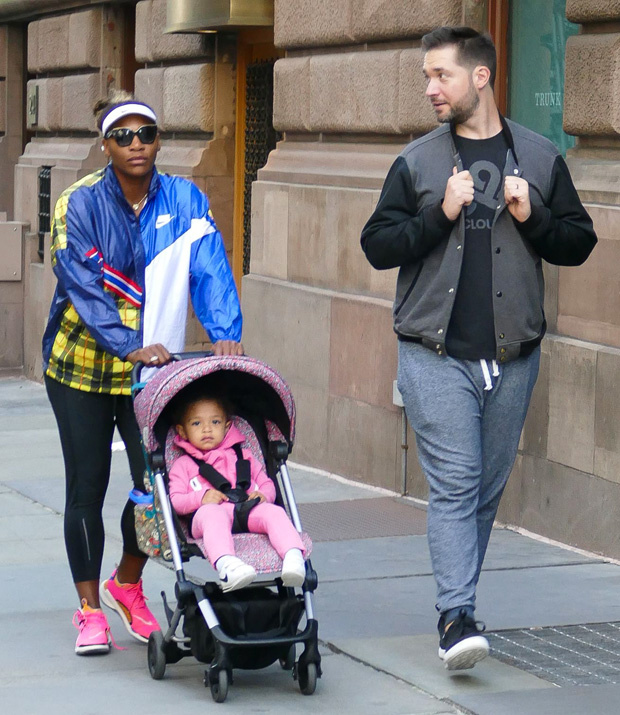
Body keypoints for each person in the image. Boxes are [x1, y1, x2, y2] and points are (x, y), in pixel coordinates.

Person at [361, 26, 597, 671]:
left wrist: (535, 218)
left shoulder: (543, 157)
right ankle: (456, 615)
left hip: (514, 356)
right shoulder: (417, 161)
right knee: (457, 484)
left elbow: (578, 243)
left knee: (484, 492)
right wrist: (439, 213)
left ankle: (458, 603)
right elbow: (377, 246)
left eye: (442, 75)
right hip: (434, 352)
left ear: (482, 77)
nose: (431, 89)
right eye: (428, 77)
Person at [42, 91, 244, 656]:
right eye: (123, 135)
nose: (136, 144)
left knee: (154, 489)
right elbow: (82, 284)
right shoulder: (78, 203)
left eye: (146, 134)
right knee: (87, 487)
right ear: (105, 144)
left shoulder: (183, 198)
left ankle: (125, 584)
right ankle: (88, 608)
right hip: (81, 365)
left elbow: (208, 261)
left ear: (158, 141)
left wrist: (225, 327)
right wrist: (128, 344)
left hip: (152, 376)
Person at [168, 392, 306, 592]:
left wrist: (264, 496)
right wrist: (201, 498)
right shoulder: (184, 465)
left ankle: (293, 558)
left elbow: (266, 484)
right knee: (212, 514)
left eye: (215, 422)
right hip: (207, 516)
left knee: (274, 512)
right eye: (196, 424)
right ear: (182, 430)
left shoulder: (244, 456)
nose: (207, 429)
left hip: (246, 509)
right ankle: (228, 565)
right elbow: (176, 501)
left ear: (226, 426)